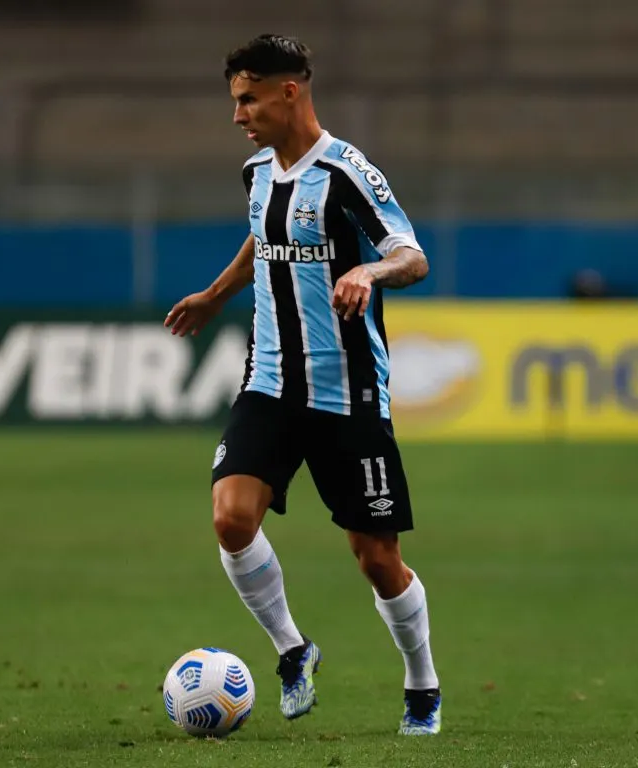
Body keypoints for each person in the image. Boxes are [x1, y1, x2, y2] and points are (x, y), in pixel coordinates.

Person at [164, 34, 441, 736]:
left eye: (248, 98)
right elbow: (264, 238)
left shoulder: (347, 171)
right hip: (270, 383)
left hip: (347, 392)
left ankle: (422, 684)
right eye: (235, 100)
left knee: (378, 560)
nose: (238, 116)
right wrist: (216, 295)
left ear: (290, 91)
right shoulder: (258, 174)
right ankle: (293, 650)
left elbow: (411, 256)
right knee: (231, 519)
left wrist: (367, 272)